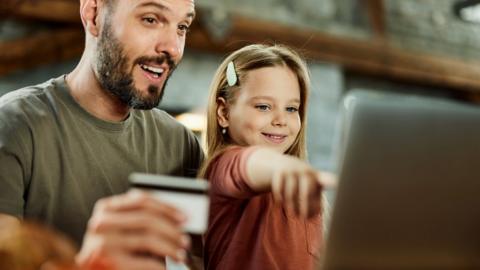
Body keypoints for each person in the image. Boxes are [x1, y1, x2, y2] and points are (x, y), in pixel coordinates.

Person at [0, 0, 203, 269]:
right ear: (93, 15)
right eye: (151, 19)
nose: (173, 48)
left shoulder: (180, 143)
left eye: (182, 26)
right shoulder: (14, 124)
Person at [200, 44, 335, 270]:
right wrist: (284, 168)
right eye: (263, 107)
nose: (281, 120)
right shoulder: (223, 166)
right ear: (224, 113)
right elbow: (249, 164)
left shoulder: (309, 198)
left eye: (292, 109)